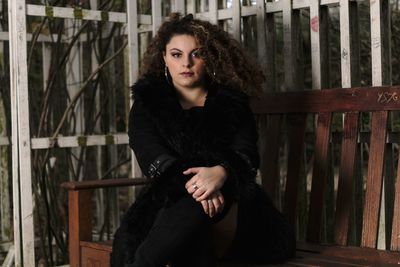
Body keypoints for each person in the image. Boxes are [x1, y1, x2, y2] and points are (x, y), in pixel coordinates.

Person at [111, 13, 295, 267]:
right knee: (191, 215)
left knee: (193, 211)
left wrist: (221, 173)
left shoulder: (232, 102)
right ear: (164, 57)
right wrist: (200, 187)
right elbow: (151, 156)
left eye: (195, 54)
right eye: (176, 54)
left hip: (232, 205)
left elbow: (247, 154)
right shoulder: (147, 104)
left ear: (208, 58)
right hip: (173, 203)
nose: (186, 63)